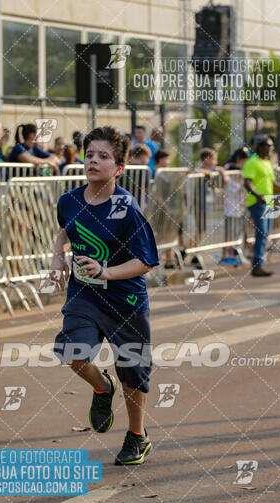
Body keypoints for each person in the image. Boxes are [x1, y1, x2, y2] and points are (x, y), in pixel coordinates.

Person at [50, 126, 159, 465]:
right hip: (84, 295)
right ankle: (101, 387)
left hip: (125, 298)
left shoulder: (126, 208)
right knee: (72, 351)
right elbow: (65, 230)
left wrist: (106, 271)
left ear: (120, 168)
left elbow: (146, 261)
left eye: (104, 157)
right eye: (90, 155)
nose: (93, 161)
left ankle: (137, 436)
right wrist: (57, 258)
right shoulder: (69, 200)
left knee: (134, 372)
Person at [243, 135, 280, 277]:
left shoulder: (267, 163)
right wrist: (258, 196)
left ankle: (259, 264)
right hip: (257, 203)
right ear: (259, 147)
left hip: (268, 202)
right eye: (268, 145)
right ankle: (257, 266)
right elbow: (247, 183)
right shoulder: (252, 162)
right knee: (261, 233)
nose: (271, 148)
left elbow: (273, 185)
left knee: (265, 234)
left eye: (271, 146)